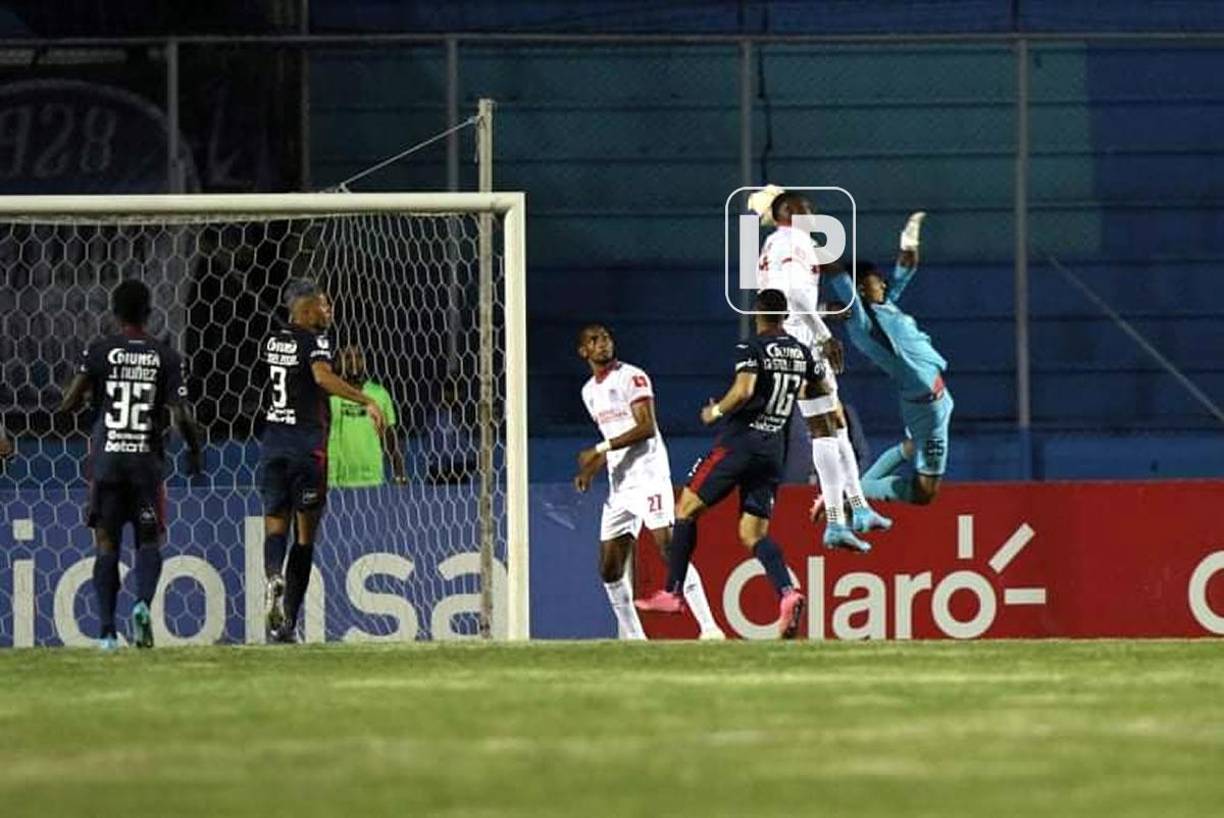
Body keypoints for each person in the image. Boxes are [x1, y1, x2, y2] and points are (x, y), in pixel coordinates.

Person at [635, 290, 827, 639]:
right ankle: (787, 592)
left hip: (740, 443)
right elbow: (817, 389)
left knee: (686, 508)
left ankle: (673, 592)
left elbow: (743, 390)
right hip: (773, 451)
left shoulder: (751, 348)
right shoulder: (801, 353)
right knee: (753, 534)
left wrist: (715, 412)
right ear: (784, 316)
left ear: (758, 314)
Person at [58, 279, 202, 650]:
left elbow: (68, 405)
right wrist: (194, 449)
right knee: (149, 540)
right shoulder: (166, 356)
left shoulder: (100, 351)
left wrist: (90, 390)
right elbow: (181, 413)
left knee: (106, 545)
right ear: (149, 312)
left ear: (116, 313)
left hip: (107, 463)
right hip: (146, 465)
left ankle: (106, 633)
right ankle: (142, 605)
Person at [751, 186, 889, 552]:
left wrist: (828, 312)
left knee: (836, 424)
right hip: (798, 339)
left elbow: (791, 297)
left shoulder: (774, 245)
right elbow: (795, 298)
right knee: (824, 427)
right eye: (806, 206)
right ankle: (835, 521)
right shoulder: (793, 240)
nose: (814, 211)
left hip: (796, 333)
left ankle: (858, 509)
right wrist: (826, 334)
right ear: (788, 210)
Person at [573, 324, 724, 640]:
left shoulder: (632, 376)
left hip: (650, 476)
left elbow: (645, 428)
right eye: (594, 340)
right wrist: (590, 470)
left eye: (606, 338)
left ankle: (710, 629)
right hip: (620, 486)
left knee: (668, 546)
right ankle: (634, 639)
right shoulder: (589, 392)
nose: (603, 344)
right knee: (610, 568)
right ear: (583, 352)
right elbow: (612, 436)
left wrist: (598, 450)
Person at [259, 278, 386, 642]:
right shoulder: (316, 341)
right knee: (304, 538)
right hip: (308, 448)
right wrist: (366, 400)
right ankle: (288, 626)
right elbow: (321, 375)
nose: (329, 310)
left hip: (272, 446)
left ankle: (272, 577)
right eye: (323, 304)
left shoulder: (270, 341)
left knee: (274, 526)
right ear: (303, 307)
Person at [825, 212, 953, 506]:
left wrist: (910, 234)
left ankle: (858, 488)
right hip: (927, 409)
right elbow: (837, 275)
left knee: (911, 449)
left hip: (937, 398)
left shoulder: (886, 303)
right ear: (858, 289)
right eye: (874, 282)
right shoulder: (861, 318)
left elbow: (906, 265)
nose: (882, 284)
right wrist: (801, 229)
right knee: (924, 494)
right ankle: (856, 493)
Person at [327, 345, 405, 487]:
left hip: (370, 476)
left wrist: (399, 473)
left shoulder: (379, 394)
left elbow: (390, 437)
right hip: (334, 478)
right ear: (337, 361)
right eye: (348, 357)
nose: (354, 362)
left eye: (359, 357)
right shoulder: (328, 394)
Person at [422, 381, 478, 484]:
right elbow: (444, 445)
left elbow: (462, 441)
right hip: (446, 470)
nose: (458, 396)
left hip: (453, 468)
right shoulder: (441, 416)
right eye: (452, 393)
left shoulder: (457, 414)